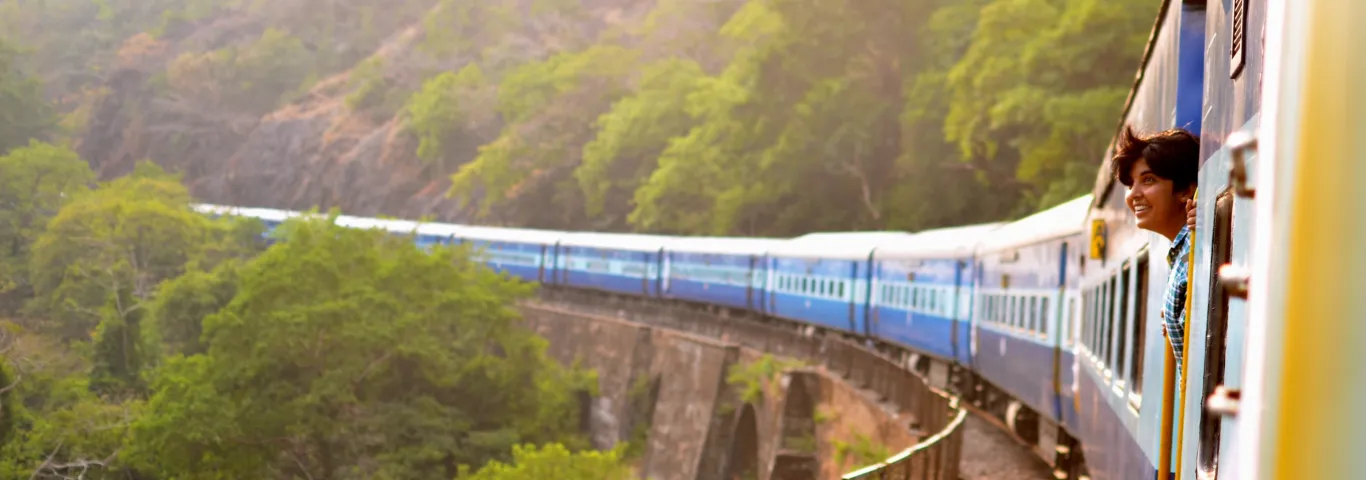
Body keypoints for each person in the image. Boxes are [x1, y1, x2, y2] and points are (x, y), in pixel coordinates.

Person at [1109, 125, 1200, 372]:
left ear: (1186, 191)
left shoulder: (1198, 253)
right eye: (1131, 184)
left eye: (1148, 180)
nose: (1133, 195)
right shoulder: (1182, 253)